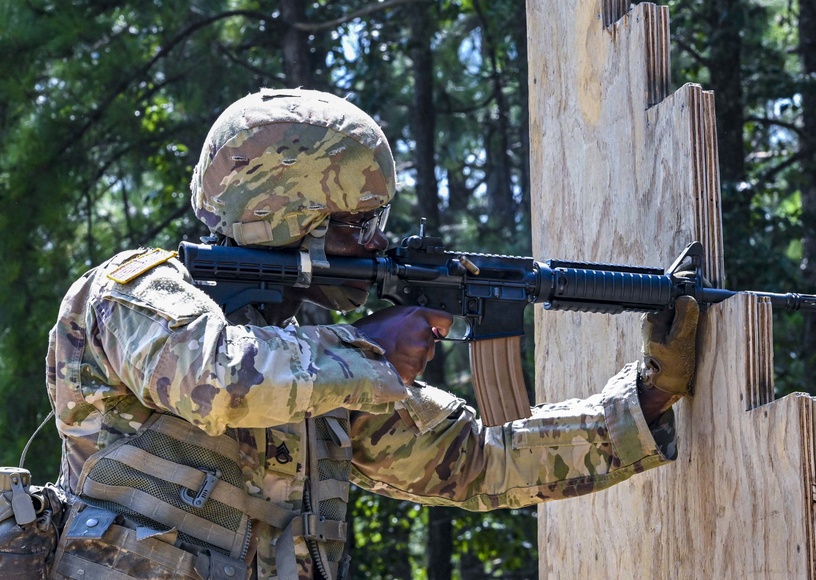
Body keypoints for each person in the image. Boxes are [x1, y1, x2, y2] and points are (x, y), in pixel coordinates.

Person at [44, 88, 700, 580]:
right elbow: (215, 380)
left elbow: (474, 463)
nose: (376, 241)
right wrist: (368, 349)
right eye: (356, 224)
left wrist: (646, 400)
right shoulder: (133, 292)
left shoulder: (323, 363)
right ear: (284, 221)